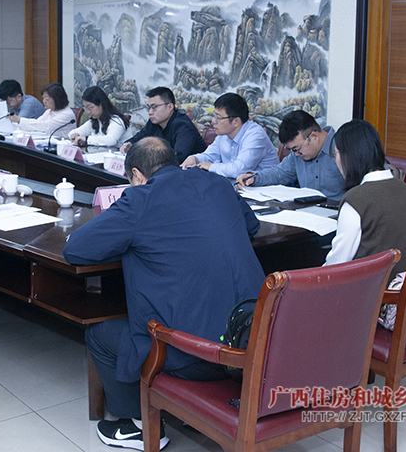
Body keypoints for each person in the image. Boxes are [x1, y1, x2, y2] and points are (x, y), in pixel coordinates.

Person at [63, 137, 265, 450]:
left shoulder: (140, 199)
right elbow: (252, 226)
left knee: (99, 335)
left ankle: (138, 424)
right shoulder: (217, 183)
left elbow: (75, 249)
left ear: (136, 175)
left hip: (200, 355)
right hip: (254, 339)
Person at [323, 119, 406, 277]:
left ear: (349, 156)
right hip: (403, 285)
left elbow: (337, 263)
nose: (336, 161)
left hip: (370, 288)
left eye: (336, 153)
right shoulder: (404, 188)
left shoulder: (355, 200)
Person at [235, 109, 346, 200]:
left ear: (314, 137)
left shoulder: (344, 149)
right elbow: (279, 173)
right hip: (305, 213)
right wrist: (253, 178)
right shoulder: (297, 155)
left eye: (297, 149)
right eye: (292, 150)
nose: (296, 154)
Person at [181, 92, 279, 177]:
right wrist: (194, 159)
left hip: (263, 190)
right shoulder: (224, 133)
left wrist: (210, 166)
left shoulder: (256, 135)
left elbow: (238, 170)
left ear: (236, 122)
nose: (213, 120)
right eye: (214, 116)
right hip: (237, 187)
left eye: (218, 117)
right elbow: (210, 155)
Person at [120, 87, 206, 164]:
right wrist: (128, 144)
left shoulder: (183, 126)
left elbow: (177, 158)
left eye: (154, 107)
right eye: (148, 107)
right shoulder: (154, 122)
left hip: (190, 172)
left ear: (170, 107)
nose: (150, 112)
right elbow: (138, 138)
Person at [8, 82, 75, 138]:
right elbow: (36, 124)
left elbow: (43, 126)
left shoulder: (66, 114)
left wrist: (19, 120)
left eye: (47, 99)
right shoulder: (49, 111)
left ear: (57, 99)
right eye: (43, 98)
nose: (44, 101)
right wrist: (13, 123)